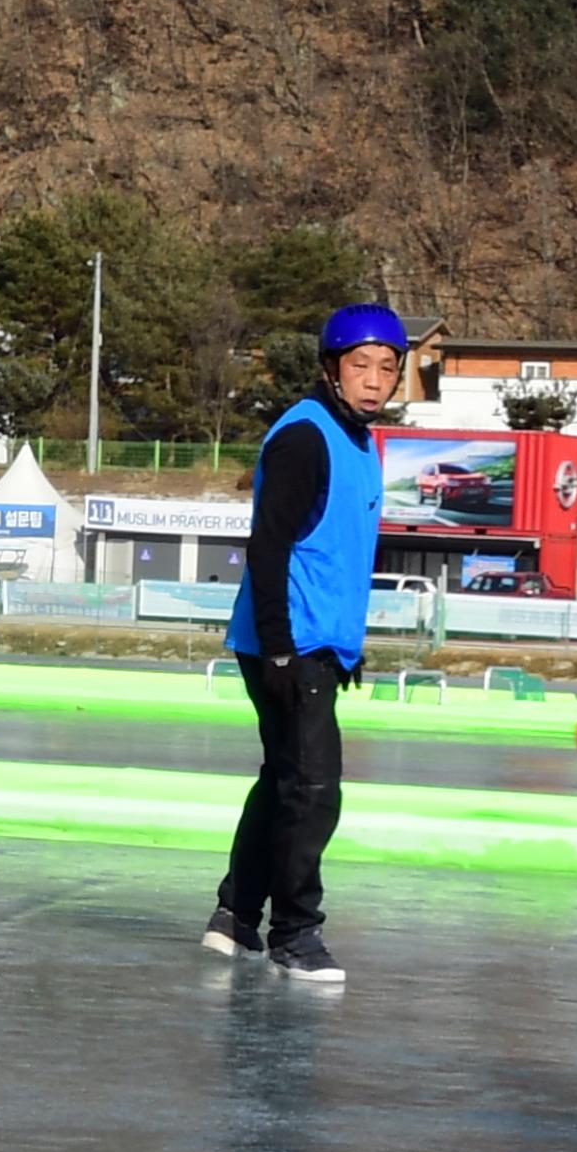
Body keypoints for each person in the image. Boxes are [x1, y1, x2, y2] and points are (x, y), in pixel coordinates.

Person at [202, 303, 404, 986]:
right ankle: (295, 934)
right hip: (285, 640)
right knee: (314, 790)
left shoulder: (357, 440)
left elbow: (334, 553)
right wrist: (284, 651)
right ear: (331, 369)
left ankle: (236, 916)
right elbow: (268, 549)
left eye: (387, 367)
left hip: (317, 641)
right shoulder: (307, 437)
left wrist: (347, 647)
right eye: (361, 366)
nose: (375, 380)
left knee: (285, 779)